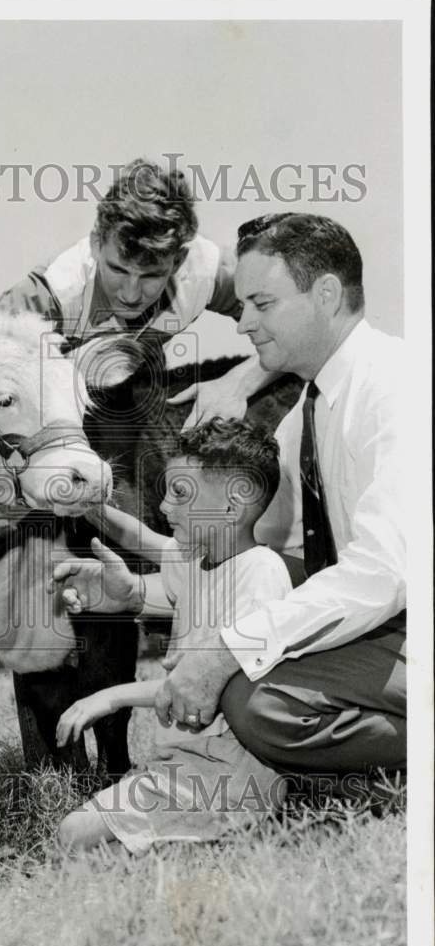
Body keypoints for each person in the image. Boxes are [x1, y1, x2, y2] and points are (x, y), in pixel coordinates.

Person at [154, 213, 406, 777]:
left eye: (262, 305)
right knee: (253, 689)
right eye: (242, 304)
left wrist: (225, 647)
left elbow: (382, 573)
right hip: (383, 627)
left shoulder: (397, 387)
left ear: (326, 293)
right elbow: (246, 551)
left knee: (254, 697)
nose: (242, 324)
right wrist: (136, 589)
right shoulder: (307, 412)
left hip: (411, 624)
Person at [49, 419, 293, 852]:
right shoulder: (195, 558)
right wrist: (84, 499)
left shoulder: (259, 573)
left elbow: (209, 685)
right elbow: (138, 536)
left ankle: (231, 834)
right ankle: (194, 841)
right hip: (186, 762)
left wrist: (108, 697)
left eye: (181, 494)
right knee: (86, 833)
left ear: (233, 507)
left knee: (75, 835)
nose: (164, 506)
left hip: (229, 773)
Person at [0, 157, 283, 426]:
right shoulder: (47, 295)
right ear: (96, 244)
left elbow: (305, 324)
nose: (131, 294)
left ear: (179, 259)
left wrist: (238, 383)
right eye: (118, 270)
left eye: (152, 275)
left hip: (130, 388)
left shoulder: (210, 270)